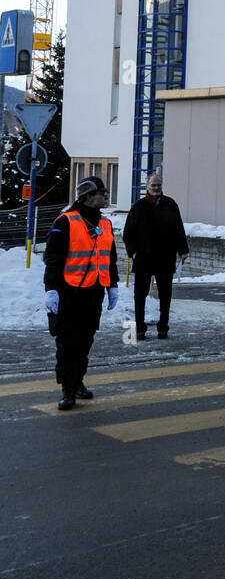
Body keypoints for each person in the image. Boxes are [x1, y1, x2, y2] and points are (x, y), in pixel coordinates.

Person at [43, 175, 119, 411]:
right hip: (68, 292)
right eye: (101, 193)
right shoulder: (66, 221)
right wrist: (51, 290)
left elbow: (110, 258)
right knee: (68, 343)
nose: (105, 196)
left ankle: (77, 381)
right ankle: (67, 389)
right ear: (88, 196)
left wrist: (113, 286)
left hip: (93, 292)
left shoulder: (105, 224)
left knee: (85, 340)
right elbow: (53, 259)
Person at [123, 172, 189, 341]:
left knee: (165, 295)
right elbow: (128, 234)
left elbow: (178, 229)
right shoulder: (138, 207)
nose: (156, 188)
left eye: (159, 185)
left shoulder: (170, 205)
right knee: (140, 295)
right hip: (143, 258)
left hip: (165, 258)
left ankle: (163, 328)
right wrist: (134, 252)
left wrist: (183, 250)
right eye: (153, 185)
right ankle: (139, 329)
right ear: (147, 186)